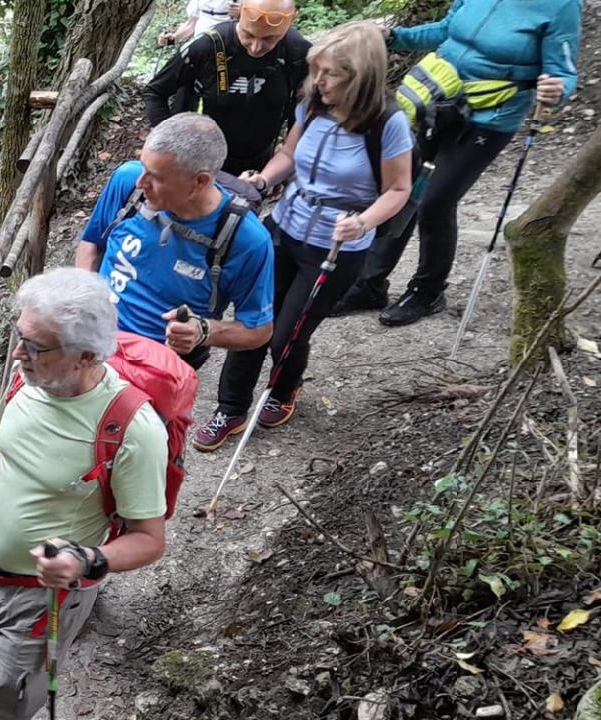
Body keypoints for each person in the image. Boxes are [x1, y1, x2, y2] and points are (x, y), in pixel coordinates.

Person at [0, 268, 169, 719]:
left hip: (40, 597)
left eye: (35, 345)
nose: (18, 353)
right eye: (20, 337)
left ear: (85, 355)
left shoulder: (131, 429)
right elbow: (3, 429)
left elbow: (150, 538)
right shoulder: (27, 379)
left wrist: (89, 560)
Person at [198, 23, 414, 450]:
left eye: (331, 74)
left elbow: (398, 190)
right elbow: (289, 156)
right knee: (254, 319)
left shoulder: (388, 123)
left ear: (361, 77)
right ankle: (231, 407)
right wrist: (261, 181)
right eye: (317, 71)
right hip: (286, 226)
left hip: (338, 244)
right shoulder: (313, 105)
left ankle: (282, 388)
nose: (319, 81)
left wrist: (364, 222)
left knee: (288, 331)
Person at [336, 0, 580, 325]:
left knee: (436, 201)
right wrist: (394, 36)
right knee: (401, 187)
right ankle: (369, 284)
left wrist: (558, 89)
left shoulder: (560, 5)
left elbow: (563, 71)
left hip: (490, 116)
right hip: (437, 98)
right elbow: (446, 30)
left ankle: (427, 291)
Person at [73, 113, 276, 369]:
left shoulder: (247, 240)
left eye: (156, 177)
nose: (140, 182)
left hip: (157, 368)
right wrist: (84, 297)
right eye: (143, 167)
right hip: (91, 343)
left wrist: (203, 331)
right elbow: (92, 243)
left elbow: (258, 329)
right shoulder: (128, 182)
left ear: (199, 181)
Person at [142, 0, 310, 176]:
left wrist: (287, 157)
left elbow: (302, 109)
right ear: (240, 14)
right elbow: (155, 91)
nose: (256, 47)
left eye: (270, 39)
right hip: (203, 161)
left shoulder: (297, 52)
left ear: (291, 22)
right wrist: (171, 148)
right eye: (248, 34)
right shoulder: (208, 46)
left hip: (260, 161)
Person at [159, 0, 238, 46]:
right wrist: (174, 38)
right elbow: (192, 23)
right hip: (200, 44)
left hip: (227, 44)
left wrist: (242, 12)